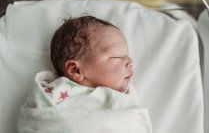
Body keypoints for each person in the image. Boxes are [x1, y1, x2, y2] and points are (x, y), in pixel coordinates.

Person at [18, 16, 152, 133]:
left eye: (127, 55)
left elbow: (133, 122)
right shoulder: (54, 93)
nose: (130, 63)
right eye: (117, 57)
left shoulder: (124, 99)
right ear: (76, 70)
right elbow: (38, 122)